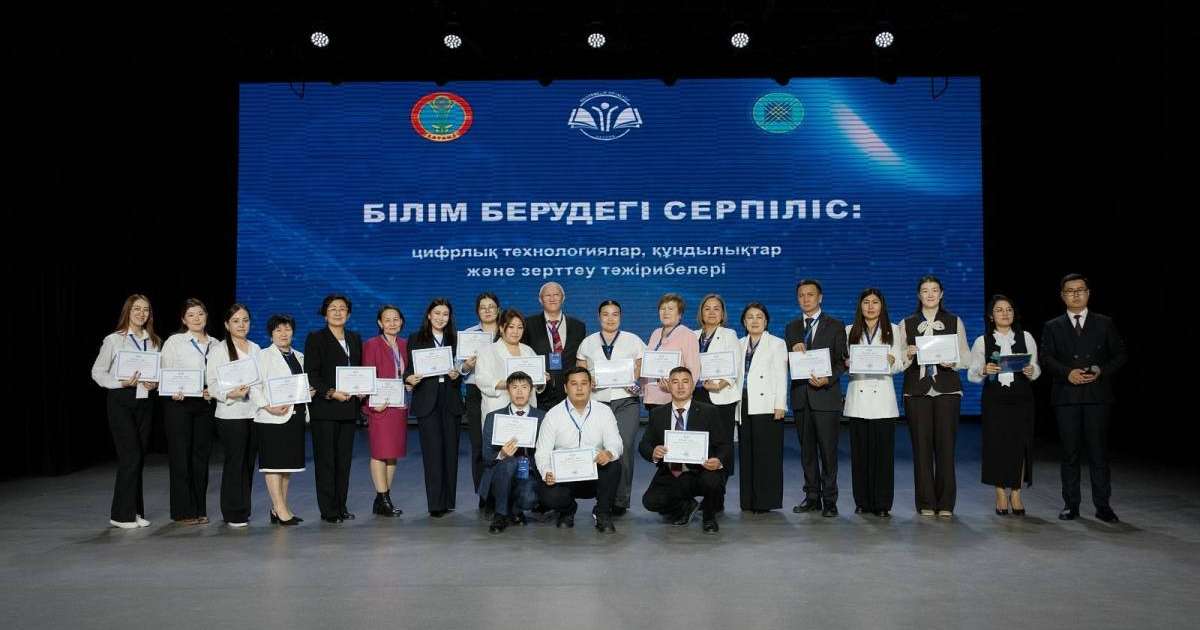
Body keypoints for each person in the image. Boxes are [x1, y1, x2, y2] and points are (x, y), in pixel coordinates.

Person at [1040, 274, 1127, 523]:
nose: (1076, 294)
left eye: (1080, 290)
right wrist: (1067, 372)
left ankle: (1103, 506)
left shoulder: (1104, 323)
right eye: (1070, 291)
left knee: (1098, 453)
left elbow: (1120, 355)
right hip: (1066, 395)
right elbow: (1046, 358)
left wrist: (1101, 370)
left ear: (1088, 293)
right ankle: (1071, 505)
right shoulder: (1053, 326)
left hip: (1097, 395)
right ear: (1062, 296)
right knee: (1070, 453)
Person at [898, 275, 972, 518]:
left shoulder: (954, 321)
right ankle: (926, 502)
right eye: (925, 290)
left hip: (947, 389)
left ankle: (946, 503)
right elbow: (898, 360)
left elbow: (966, 356)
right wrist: (908, 354)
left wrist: (954, 361)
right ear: (918, 295)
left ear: (941, 294)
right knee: (921, 449)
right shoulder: (906, 323)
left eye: (934, 290)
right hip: (916, 390)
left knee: (946, 447)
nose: (929, 294)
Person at [90, 294, 160, 528]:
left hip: (145, 400)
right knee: (130, 456)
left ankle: (135, 511)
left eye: (146, 310)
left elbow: (157, 373)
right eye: (136, 309)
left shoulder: (153, 341)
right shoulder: (114, 340)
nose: (141, 313)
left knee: (138, 458)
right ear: (127, 312)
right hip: (121, 400)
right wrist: (120, 382)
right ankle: (120, 515)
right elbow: (97, 372)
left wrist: (154, 383)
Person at [968, 295, 1041, 516]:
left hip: (1022, 397)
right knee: (996, 445)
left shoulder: (1026, 337)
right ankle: (1000, 492)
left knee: (1021, 444)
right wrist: (984, 370)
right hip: (995, 399)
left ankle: (1016, 492)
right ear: (991, 316)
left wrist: (1032, 370)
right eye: (999, 310)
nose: (1005, 313)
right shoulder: (982, 341)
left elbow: (1036, 367)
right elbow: (972, 374)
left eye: (1009, 309)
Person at [785, 279, 848, 517]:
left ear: (820, 297)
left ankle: (830, 500)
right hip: (801, 397)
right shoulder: (792, 327)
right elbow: (789, 362)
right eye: (801, 295)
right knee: (807, 452)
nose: (806, 299)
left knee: (828, 452)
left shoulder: (836, 325)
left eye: (810, 294)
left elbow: (842, 362)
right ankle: (812, 497)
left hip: (826, 397)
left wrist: (827, 379)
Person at [575, 299, 646, 516]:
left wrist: (634, 381)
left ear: (620, 317)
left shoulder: (633, 340)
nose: (610, 318)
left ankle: (620, 500)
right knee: (599, 448)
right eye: (605, 314)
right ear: (599, 317)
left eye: (615, 314)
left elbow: (641, 369)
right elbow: (580, 372)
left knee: (624, 446)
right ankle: (603, 498)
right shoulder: (587, 343)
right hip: (597, 402)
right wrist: (589, 382)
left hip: (626, 401)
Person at [639, 367, 730, 534]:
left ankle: (709, 517)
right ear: (668, 385)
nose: (680, 386)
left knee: (712, 481)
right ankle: (685, 507)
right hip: (672, 471)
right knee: (650, 501)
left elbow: (724, 444)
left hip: (702, 470)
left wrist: (718, 460)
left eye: (685, 382)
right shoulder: (658, 414)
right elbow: (644, 444)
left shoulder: (709, 411)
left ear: (693, 385)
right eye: (675, 382)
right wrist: (653, 452)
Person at [534, 366, 624, 533]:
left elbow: (616, 442)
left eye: (584, 383)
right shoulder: (553, 415)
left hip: (595, 473)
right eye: (574, 384)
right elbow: (542, 452)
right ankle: (568, 510)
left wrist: (609, 453)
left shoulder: (604, 411)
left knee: (614, 465)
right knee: (547, 494)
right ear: (565, 388)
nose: (580, 388)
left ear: (591, 386)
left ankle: (602, 513)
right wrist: (547, 472)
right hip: (564, 477)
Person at [843, 288, 903, 518]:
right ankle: (862, 501)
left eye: (875, 302)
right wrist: (847, 363)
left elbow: (901, 364)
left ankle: (882, 503)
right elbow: (843, 363)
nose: (870, 306)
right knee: (860, 456)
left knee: (883, 456)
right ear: (860, 306)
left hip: (883, 401)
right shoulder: (849, 330)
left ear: (882, 305)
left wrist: (892, 361)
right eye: (866, 302)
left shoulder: (894, 329)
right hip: (858, 399)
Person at [304, 294, 364, 523]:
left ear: (348, 314)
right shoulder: (316, 338)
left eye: (342, 308)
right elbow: (312, 374)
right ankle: (329, 510)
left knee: (344, 461)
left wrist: (362, 388)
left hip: (348, 409)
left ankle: (341, 505)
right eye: (332, 308)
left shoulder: (354, 338)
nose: (338, 312)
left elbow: (359, 369)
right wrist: (330, 392)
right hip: (325, 408)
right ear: (325, 313)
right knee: (326, 461)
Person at [160, 298, 219, 525]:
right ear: (184, 320)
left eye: (200, 314)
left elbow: (219, 376)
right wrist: (172, 390)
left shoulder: (216, 344)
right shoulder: (175, 342)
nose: (196, 318)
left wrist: (213, 390)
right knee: (180, 457)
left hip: (204, 404)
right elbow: (165, 371)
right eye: (191, 315)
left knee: (200, 458)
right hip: (179, 404)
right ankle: (183, 511)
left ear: (206, 317)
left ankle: (199, 508)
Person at [252, 314, 314, 526]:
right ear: (271, 334)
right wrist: (268, 406)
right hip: (271, 417)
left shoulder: (299, 356)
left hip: (294, 416)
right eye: (278, 330)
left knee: (287, 466)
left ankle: (278, 508)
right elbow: (254, 386)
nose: (283, 333)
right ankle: (280, 509)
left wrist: (309, 391)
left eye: (287, 329)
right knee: (273, 465)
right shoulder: (262, 356)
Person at [405, 298, 464, 517]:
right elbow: (408, 370)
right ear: (429, 315)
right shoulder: (416, 338)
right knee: (432, 454)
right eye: (437, 313)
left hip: (450, 399)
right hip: (427, 401)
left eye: (445, 314)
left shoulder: (456, 339)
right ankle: (435, 504)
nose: (441, 318)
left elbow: (462, 370)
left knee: (450, 452)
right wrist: (409, 378)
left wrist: (458, 374)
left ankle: (448, 501)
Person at [205, 303, 260, 527]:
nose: (241, 325)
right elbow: (212, 384)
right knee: (235, 463)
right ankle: (233, 512)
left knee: (248, 463)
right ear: (227, 325)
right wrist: (230, 393)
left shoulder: (256, 348)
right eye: (236, 321)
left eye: (245, 320)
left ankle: (244, 509)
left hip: (254, 413)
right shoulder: (219, 350)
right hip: (230, 414)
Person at [736, 302, 788, 513]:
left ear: (766, 321)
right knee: (747, 454)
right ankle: (748, 500)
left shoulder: (776, 343)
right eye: (750, 317)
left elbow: (781, 376)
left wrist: (780, 404)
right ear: (744, 322)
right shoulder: (739, 343)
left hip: (767, 405)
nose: (754, 321)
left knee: (766, 455)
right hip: (744, 402)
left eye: (759, 317)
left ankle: (765, 501)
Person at [479, 372, 546, 534]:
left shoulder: (542, 417)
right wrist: (501, 454)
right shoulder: (494, 417)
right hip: (500, 472)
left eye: (524, 387)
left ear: (531, 390)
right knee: (509, 462)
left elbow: (547, 451)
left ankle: (514, 509)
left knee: (529, 498)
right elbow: (486, 457)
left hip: (528, 472)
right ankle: (500, 514)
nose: (519, 392)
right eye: (514, 387)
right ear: (508, 390)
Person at [361, 305, 409, 517]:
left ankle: (382, 499)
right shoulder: (372, 344)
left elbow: (406, 373)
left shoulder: (405, 344)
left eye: (396, 319)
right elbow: (367, 375)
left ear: (401, 321)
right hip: (379, 407)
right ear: (380, 323)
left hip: (398, 406)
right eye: (387, 320)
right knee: (379, 453)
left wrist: (410, 384)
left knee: (392, 454)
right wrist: (371, 404)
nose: (392, 323)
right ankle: (383, 498)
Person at [460, 292, 501, 500]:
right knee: (478, 444)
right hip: (475, 391)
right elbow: (460, 368)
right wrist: (467, 365)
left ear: (498, 310)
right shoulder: (468, 334)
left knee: (501, 442)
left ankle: (503, 492)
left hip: (502, 391)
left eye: (491, 306)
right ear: (477, 311)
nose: (487, 310)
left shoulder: (507, 331)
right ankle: (483, 495)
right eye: (483, 307)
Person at [521, 282, 585, 412]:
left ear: (563, 298)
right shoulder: (528, 325)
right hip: (540, 395)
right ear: (540, 300)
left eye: (556, 294)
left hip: (570, 394)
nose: (552, 298)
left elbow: (582, 359)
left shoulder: (578, 326)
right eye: (547, 295)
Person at [642, 293, 701, 412]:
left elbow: (693, 369)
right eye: (662, 308)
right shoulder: (656, 333)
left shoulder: (688, 334)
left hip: (673, 399)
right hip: (652, 397)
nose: (665, 312)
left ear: (680, 314)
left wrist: (680, 391)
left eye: (670, 308)